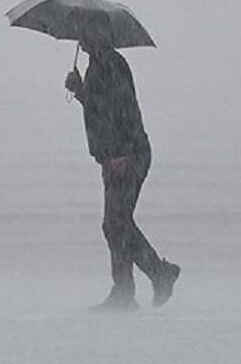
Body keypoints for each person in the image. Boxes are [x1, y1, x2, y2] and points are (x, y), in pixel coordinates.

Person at [65, 37, 180, 310]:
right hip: (113, 156)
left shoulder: (112, 63)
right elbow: (101, 110)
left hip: (128, 155)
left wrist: (124, 152)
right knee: (116, 224)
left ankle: (148, 279)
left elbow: (125, 109)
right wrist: (80, 91)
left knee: (116, 223)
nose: (79, 38)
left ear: (96, 33)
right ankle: (130, 289)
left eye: (84, 31)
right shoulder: (97, 63)